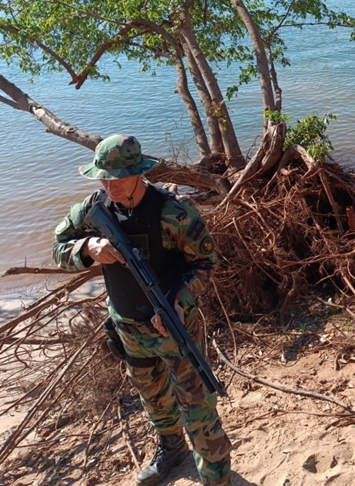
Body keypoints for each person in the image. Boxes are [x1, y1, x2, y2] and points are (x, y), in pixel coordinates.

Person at [52, 135, 231, 486]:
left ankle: (216, 476)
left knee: (198, 409)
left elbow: (206, 263)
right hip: (128, 328)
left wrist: (180, 301)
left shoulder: (173, 211)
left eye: (117, 177)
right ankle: (172, 449)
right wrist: (88, 246)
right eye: (103, 177)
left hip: (174, 328)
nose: (109, 184)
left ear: (138, 173)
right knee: (154, 399)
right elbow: (58, 247)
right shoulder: (95, 206)